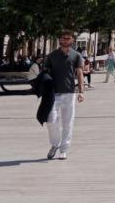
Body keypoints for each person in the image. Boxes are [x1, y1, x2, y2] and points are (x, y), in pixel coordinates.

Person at [44, 30, 84, 160]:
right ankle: (55, 144)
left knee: (68, 122)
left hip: (69, 92)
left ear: (72, 40)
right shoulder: (51, 56)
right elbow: (45, 73)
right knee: (51, 120)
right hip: (53, 93)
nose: (65, 40)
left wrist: (81, 92)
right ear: (60, 40)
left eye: (68, 38)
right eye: (63, 38)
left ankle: (64, 149)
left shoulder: (76, 55)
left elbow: (79, 74)